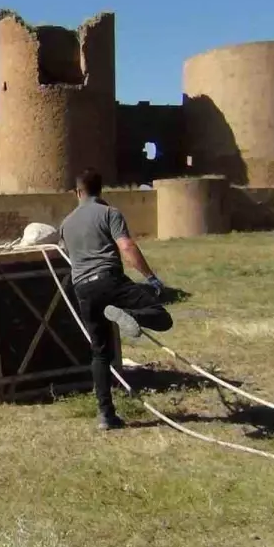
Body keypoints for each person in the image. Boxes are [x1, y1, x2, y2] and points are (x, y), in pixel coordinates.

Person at [58, 169, 173, 430]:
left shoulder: (65, 224)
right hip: (109, 280)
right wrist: (151, 278)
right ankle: (130, 316)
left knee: (99, 354)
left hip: (83, 290)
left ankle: (106, 416)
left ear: (77, 192)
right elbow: (127, 247)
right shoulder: (109, 214)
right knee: (163, 317)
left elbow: (69, 257)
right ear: (101, 191)